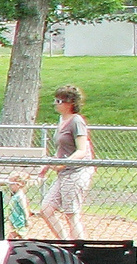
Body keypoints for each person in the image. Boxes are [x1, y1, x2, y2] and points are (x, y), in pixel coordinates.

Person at [36, 84, 95, 240]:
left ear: (70, 103)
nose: (55, 104)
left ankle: (79, 247)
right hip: (64, 173)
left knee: (71, 214)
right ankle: (65, 242)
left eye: (59, 101)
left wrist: (64, 163)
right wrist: (48, 165)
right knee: (46, 209)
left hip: (76, 172)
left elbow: (81, 150)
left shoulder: (77, 121)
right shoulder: (62, 120)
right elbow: (62, 149)